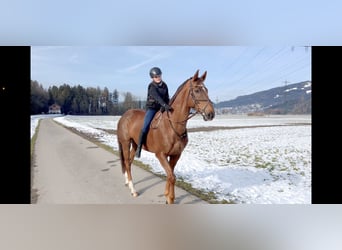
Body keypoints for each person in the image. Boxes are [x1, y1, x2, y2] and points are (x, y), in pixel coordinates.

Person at [135, 67, 173, 158]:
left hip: (161, 108)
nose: (158, 77)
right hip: (152, 109)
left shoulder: (164, 85)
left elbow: (166, 97)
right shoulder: (151, 86)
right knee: (145, 126)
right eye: (156, 76)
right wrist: (164, 104)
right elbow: (157, 97)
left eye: (159, 75)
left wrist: (167, 105)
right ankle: (139, 147)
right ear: (152, 77)